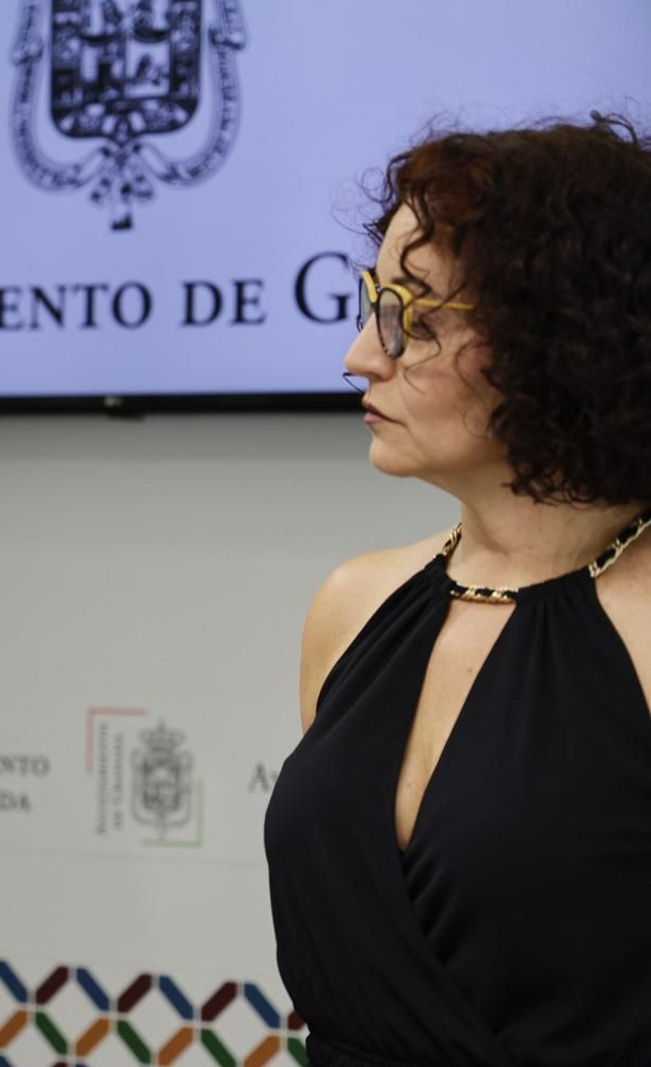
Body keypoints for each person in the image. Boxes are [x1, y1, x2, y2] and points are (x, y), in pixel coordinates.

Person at [264, 114, 651, 1066]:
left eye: (417, 315)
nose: (362, 354)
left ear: (563, 337)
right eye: (373, 301)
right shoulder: (353, 602)